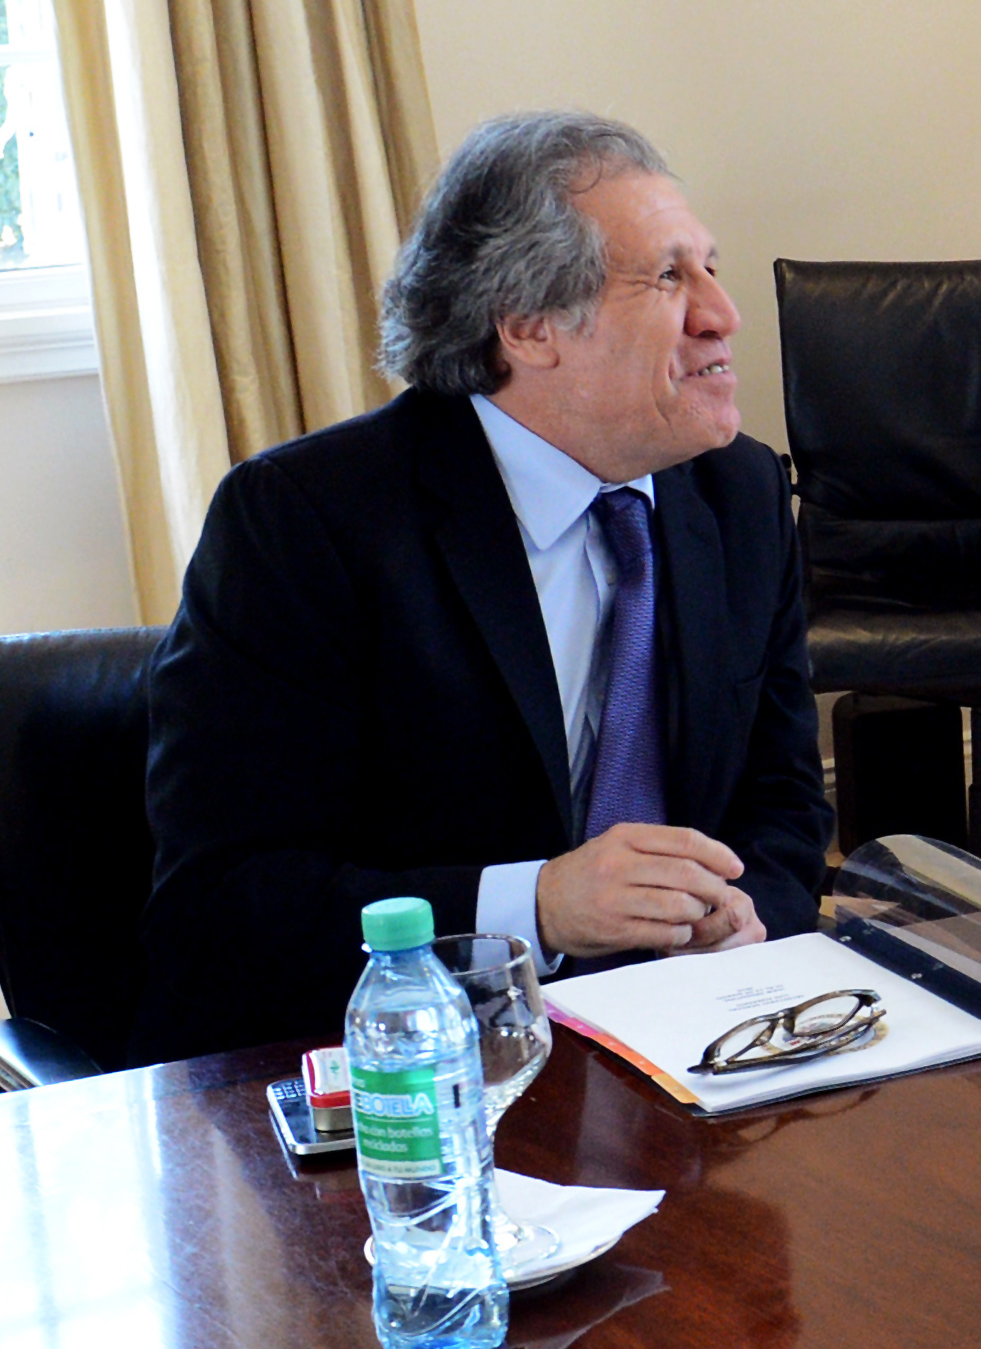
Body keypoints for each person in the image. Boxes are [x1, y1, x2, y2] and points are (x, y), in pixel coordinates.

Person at [135, 112, 831, 1060]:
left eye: (708, 267)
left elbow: (784, 805)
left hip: (696, 1042)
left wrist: (741, 917)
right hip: (421, 1070)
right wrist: (535, 907)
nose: (721, 313)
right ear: (532, 328)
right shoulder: (306, 523)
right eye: (669, 277)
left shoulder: (740, 492)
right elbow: (231, 901)